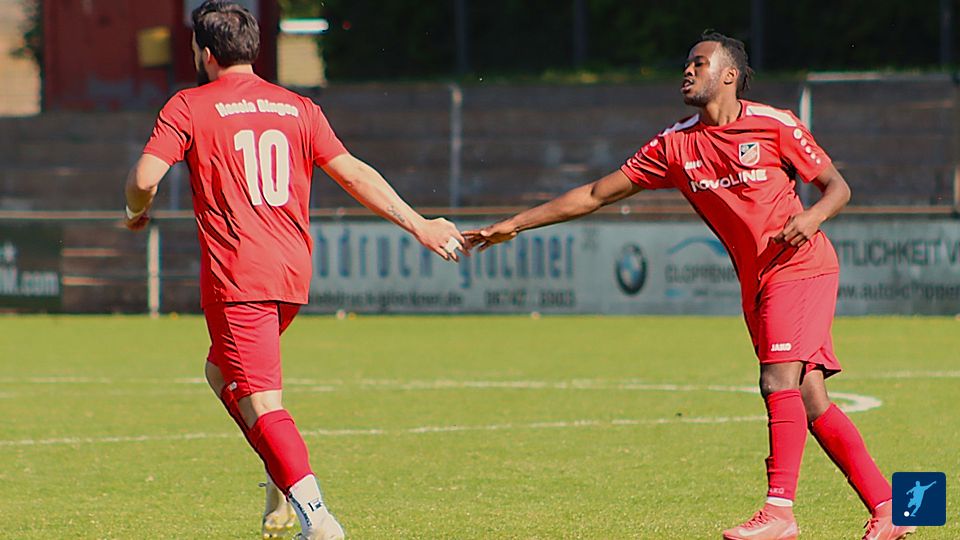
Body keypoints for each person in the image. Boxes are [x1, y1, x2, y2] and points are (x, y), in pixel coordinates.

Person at [464, 32, 913, 540]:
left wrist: (812, 217)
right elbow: (595, 194)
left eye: (699, 63)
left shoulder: (775, 124)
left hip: (801, 267)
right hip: (757, 281)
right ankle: (893, 507)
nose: (688, 70)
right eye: (687, 63)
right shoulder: (674, 145)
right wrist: (515, 223)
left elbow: (838, 187)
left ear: (729, 75)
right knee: (810, 400)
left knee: (776, 383)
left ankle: (779, 512)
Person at [122, 2, 465, 538]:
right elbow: (352, 173)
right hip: (290, 272)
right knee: (220, 374)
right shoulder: (298, 107)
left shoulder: (188, 104)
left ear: (206, 54)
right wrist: (419, 224)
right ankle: (280, 480)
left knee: (262, 401)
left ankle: (316, 516)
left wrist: (134, 212)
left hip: (239, 275)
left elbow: (145, 177)